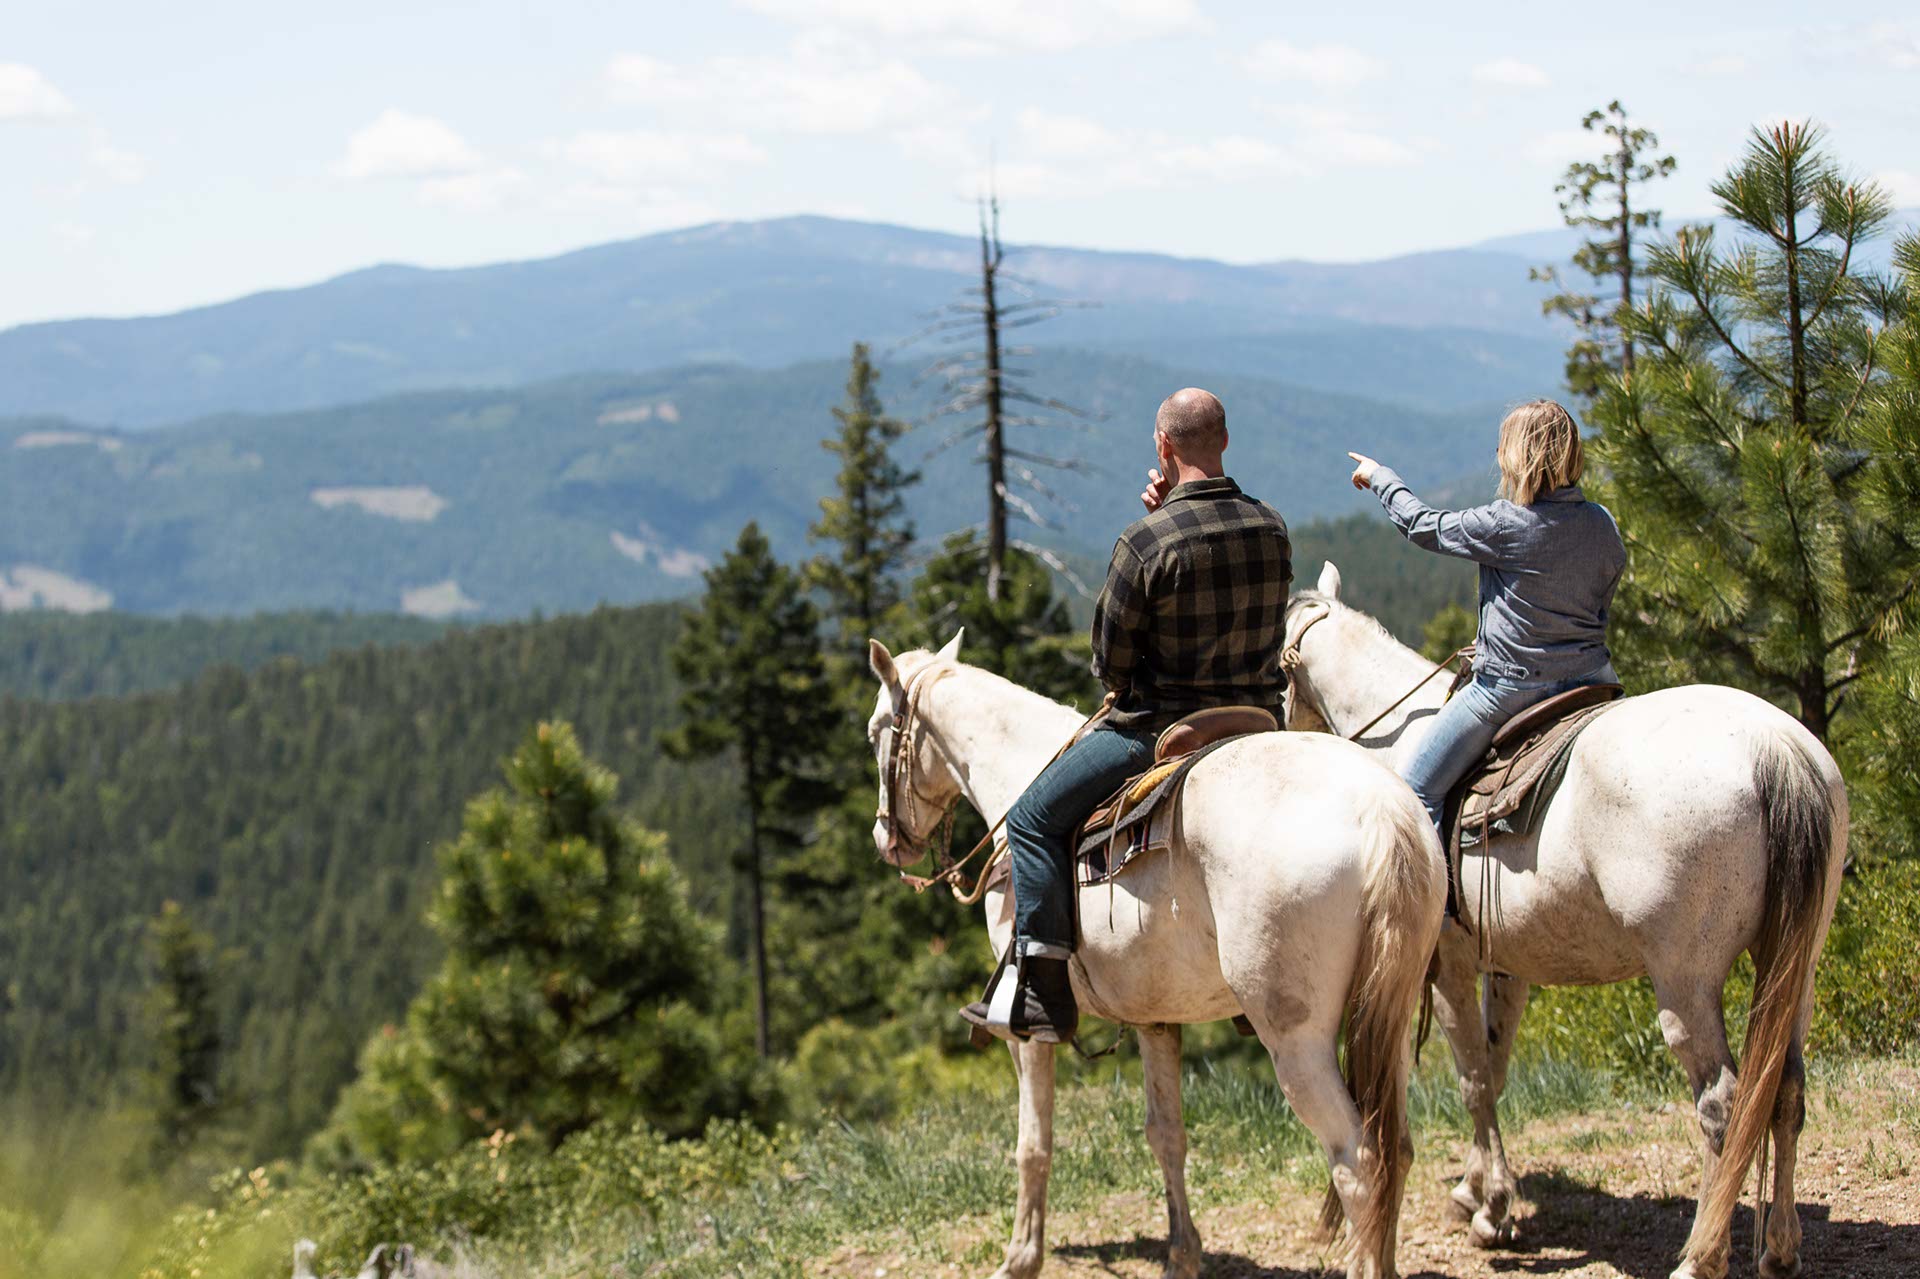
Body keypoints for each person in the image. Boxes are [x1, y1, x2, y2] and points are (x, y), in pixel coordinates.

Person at [961, 387, 1292, 1043]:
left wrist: (1157, 524)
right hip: (1257, 722)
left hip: (1159, 731)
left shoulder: (1144, 543)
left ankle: (1043, 990)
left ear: (1163, 449)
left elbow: (1110, 665)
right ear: (1224, 441)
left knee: (1030, 819)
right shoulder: (1272, 526)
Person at [1346, 398, 1626, 834]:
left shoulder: (1506, 523)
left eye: (1503, 448)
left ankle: (1436, 902)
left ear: (1517, 457)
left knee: (1414, 792)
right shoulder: (1603, 524)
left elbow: (1422, 524)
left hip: (1510, 687)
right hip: (1594, 676)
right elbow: (1598, 600)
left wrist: (1381, 477)